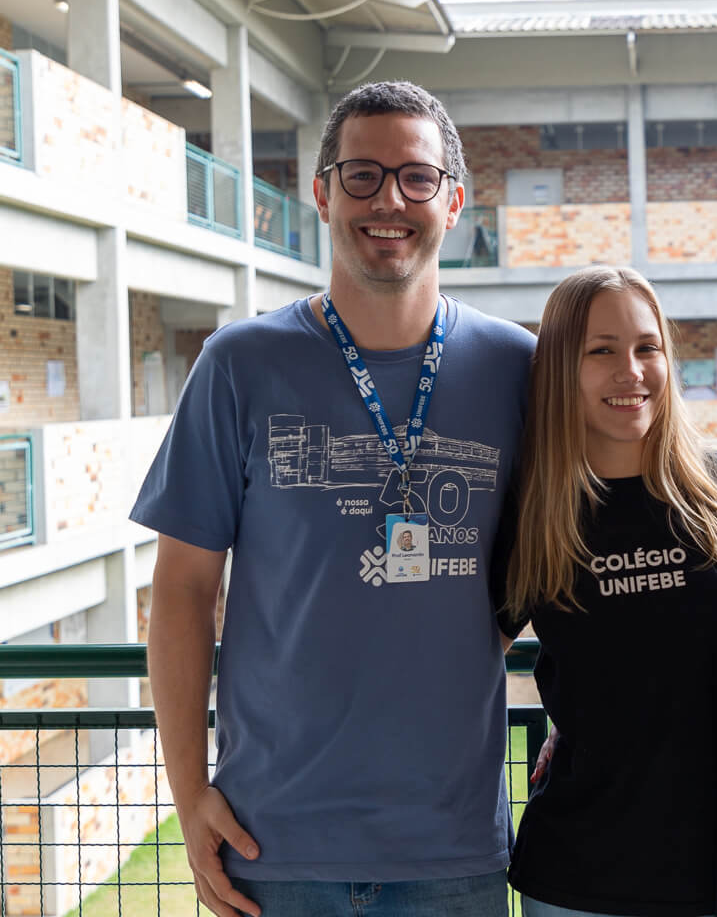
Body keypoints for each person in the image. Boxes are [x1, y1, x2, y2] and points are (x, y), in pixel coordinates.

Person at [133, 81, 535, 917]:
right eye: (361, 174)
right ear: (321, 192)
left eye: (416, 178)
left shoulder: (518, 368)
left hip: (450, 849)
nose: (389, 199)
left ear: (453, 201)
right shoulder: (239, 364)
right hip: (273, 845)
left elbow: (557, 557)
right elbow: (180, 593)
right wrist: (186, 792)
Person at [495, 266, 717, 917]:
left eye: (647, 347)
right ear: (562, 367)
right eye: (601, 351)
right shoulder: (535, 510)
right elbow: (462, 666)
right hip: (578, 878)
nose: (631, 371)